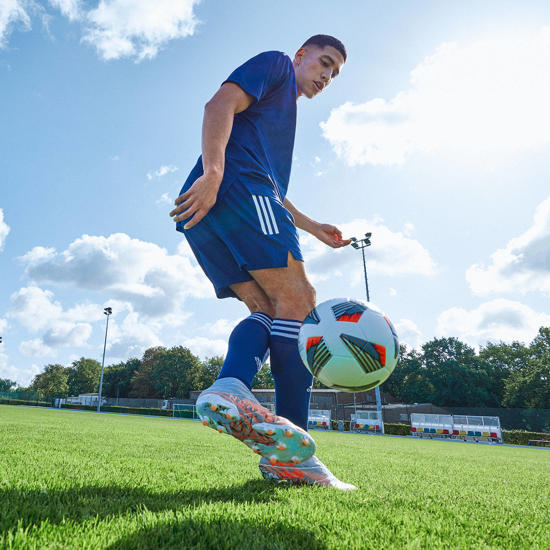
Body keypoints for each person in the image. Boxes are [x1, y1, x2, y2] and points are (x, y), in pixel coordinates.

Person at [170, 35, 355, 490]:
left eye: (334, 74)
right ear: (300, 56)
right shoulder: (274, 65)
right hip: (231, 189)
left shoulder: (277, 120)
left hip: (210, 211)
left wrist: (311, 226)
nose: (326, 77)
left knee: (269, 312)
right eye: (324, 63)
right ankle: (292, 452)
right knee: (301, 299)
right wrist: (214, 172)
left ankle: (232, 384)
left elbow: (271, 187)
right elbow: (218, 105)